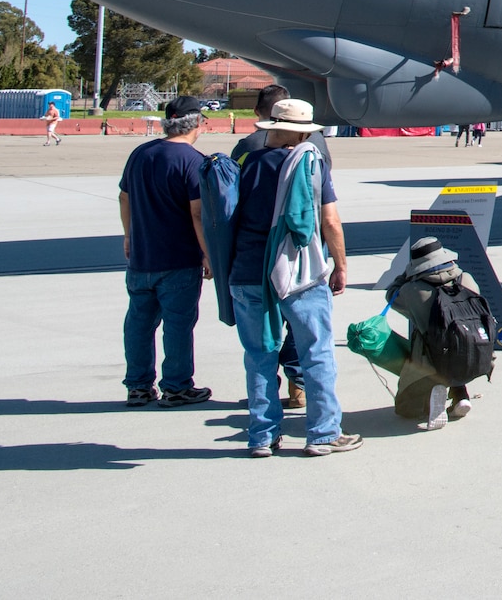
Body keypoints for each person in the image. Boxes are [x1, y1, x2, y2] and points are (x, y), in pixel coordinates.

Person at [230, 98, 357, 457]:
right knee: (315, 351)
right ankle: (323, 434)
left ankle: (261, 437)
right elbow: (329, 220)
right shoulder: (309, 163)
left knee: (258, 354)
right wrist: (340, 264)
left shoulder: (245, 162)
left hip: (246, 270)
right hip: (297, 271)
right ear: (304, 131)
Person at [232, 83, 331, 412]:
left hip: (250, 262)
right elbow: (326, 211)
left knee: (259, 353)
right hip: (298, 263)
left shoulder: (247, 150)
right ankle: (314, 416)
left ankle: (262, 430)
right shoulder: (316, 151)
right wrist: (336, 261)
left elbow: (230, 206)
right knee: (311, 344)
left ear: (264, 115)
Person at [117, 95, 213, 409]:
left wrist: (128, 235)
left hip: (142, 258)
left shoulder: (140, 154)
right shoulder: (193, 161)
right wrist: (207, 252)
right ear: (197, 123)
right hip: (179, 259)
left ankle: (138, 386)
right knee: (178, 326)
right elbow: (197, 213)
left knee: (139, 324)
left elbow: (124, 198)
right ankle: (176, 386)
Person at [386, 236, 483, 429]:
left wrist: (407, 273)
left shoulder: (413, 291)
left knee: (405, 409)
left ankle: (432, 393)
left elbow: (390, 295)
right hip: (476, 354)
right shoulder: (466, 279)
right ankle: (459, 395)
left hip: (433, 360)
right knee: (456, 342)